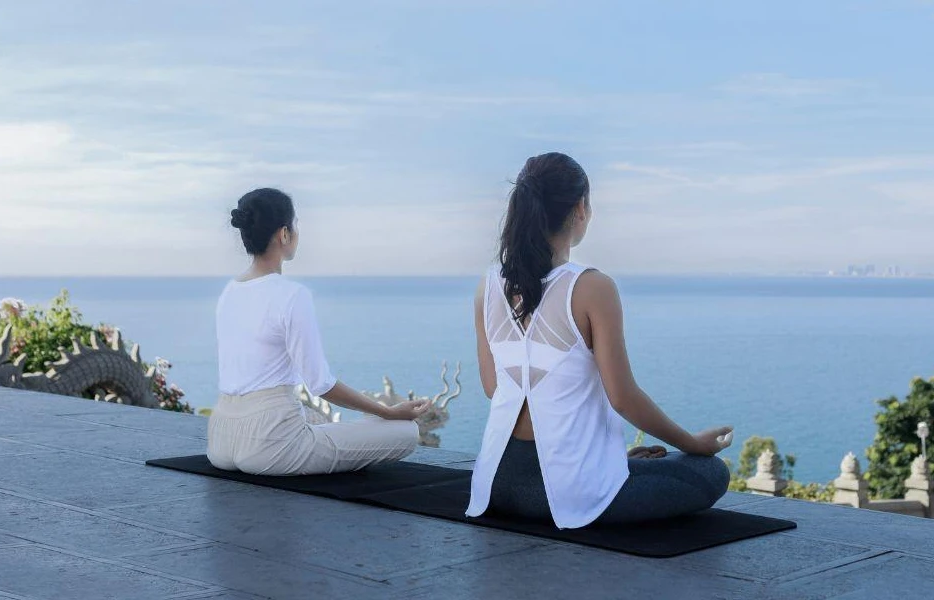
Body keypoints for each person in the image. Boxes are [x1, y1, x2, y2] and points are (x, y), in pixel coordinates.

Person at [466, 153, 735, 529]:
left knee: (648, 465)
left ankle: (614, 467)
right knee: (709, 472)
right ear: (580, 209)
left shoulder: (488, 285)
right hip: (565, 493)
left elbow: (493, 387)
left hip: (497, 483)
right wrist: (694, 443)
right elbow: (623, 398)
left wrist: (614, 459)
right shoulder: (592, 287)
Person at [207, 187, 428, 475]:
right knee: (405, 432)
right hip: (272, 447)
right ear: (284, 234)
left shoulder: (230, 291)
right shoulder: (291, 295)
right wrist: (387, 411)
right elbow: (321, 384)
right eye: (295, 225)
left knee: (317, 420)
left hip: (221, 441)